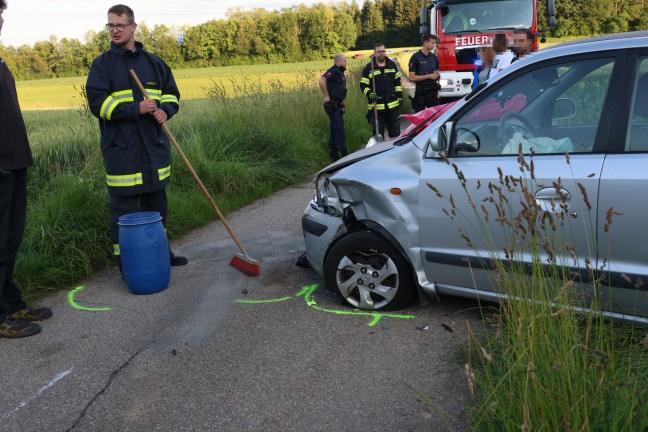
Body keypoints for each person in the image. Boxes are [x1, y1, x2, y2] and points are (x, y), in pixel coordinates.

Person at [86, 4, 187, 272]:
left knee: (158, 206)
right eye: (110, 25)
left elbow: (172, 94)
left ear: (133, 27)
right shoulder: (102, 66)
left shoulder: (154, 63)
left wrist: (165, 111)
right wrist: (135, 109)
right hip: (122, 152)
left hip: (153, 149)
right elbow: (98, 105)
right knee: (124, 212)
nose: (114, 31)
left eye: (119, 25)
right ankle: (127, 264)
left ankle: (160, 253)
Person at [0, 1, 53, 338]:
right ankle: (1, 316)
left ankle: (10, 300)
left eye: (1, 13)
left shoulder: (2, 61)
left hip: (15, 161)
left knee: (10, 240)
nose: (0, 20)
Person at [360, 43, 403, 139]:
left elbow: (397, 83)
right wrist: (370, 93)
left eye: (383, 51)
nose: (381, 54)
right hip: (377, 109)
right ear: (374, 53)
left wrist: (400, 96)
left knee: (395, 135)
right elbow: (363, 85)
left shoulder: (392, 65)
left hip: (393, 108)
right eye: (378, 52)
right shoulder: (369, 68)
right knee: (378, 136)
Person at [318, 53, 348, 162]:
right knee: (338, 129)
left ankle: (334, 154)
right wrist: (326, 96)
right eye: (345, 61)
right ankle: (342, 154)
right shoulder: (333, 71)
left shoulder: (340, 72)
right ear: (339, 61)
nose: (346, 62)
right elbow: (321, 80)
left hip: (337, 104)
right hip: (332, 106)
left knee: (335, 128)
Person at [409, 34, 441, 113]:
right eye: (432, 43)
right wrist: (429, 76)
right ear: (426, 43)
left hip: (433, 92)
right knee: (419, 117)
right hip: (421, 93)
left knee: (437, 116)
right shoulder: (415, 58)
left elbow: (437, 76)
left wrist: (437, 75)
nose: (434, 45)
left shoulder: (434, 57)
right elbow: (412, 77)